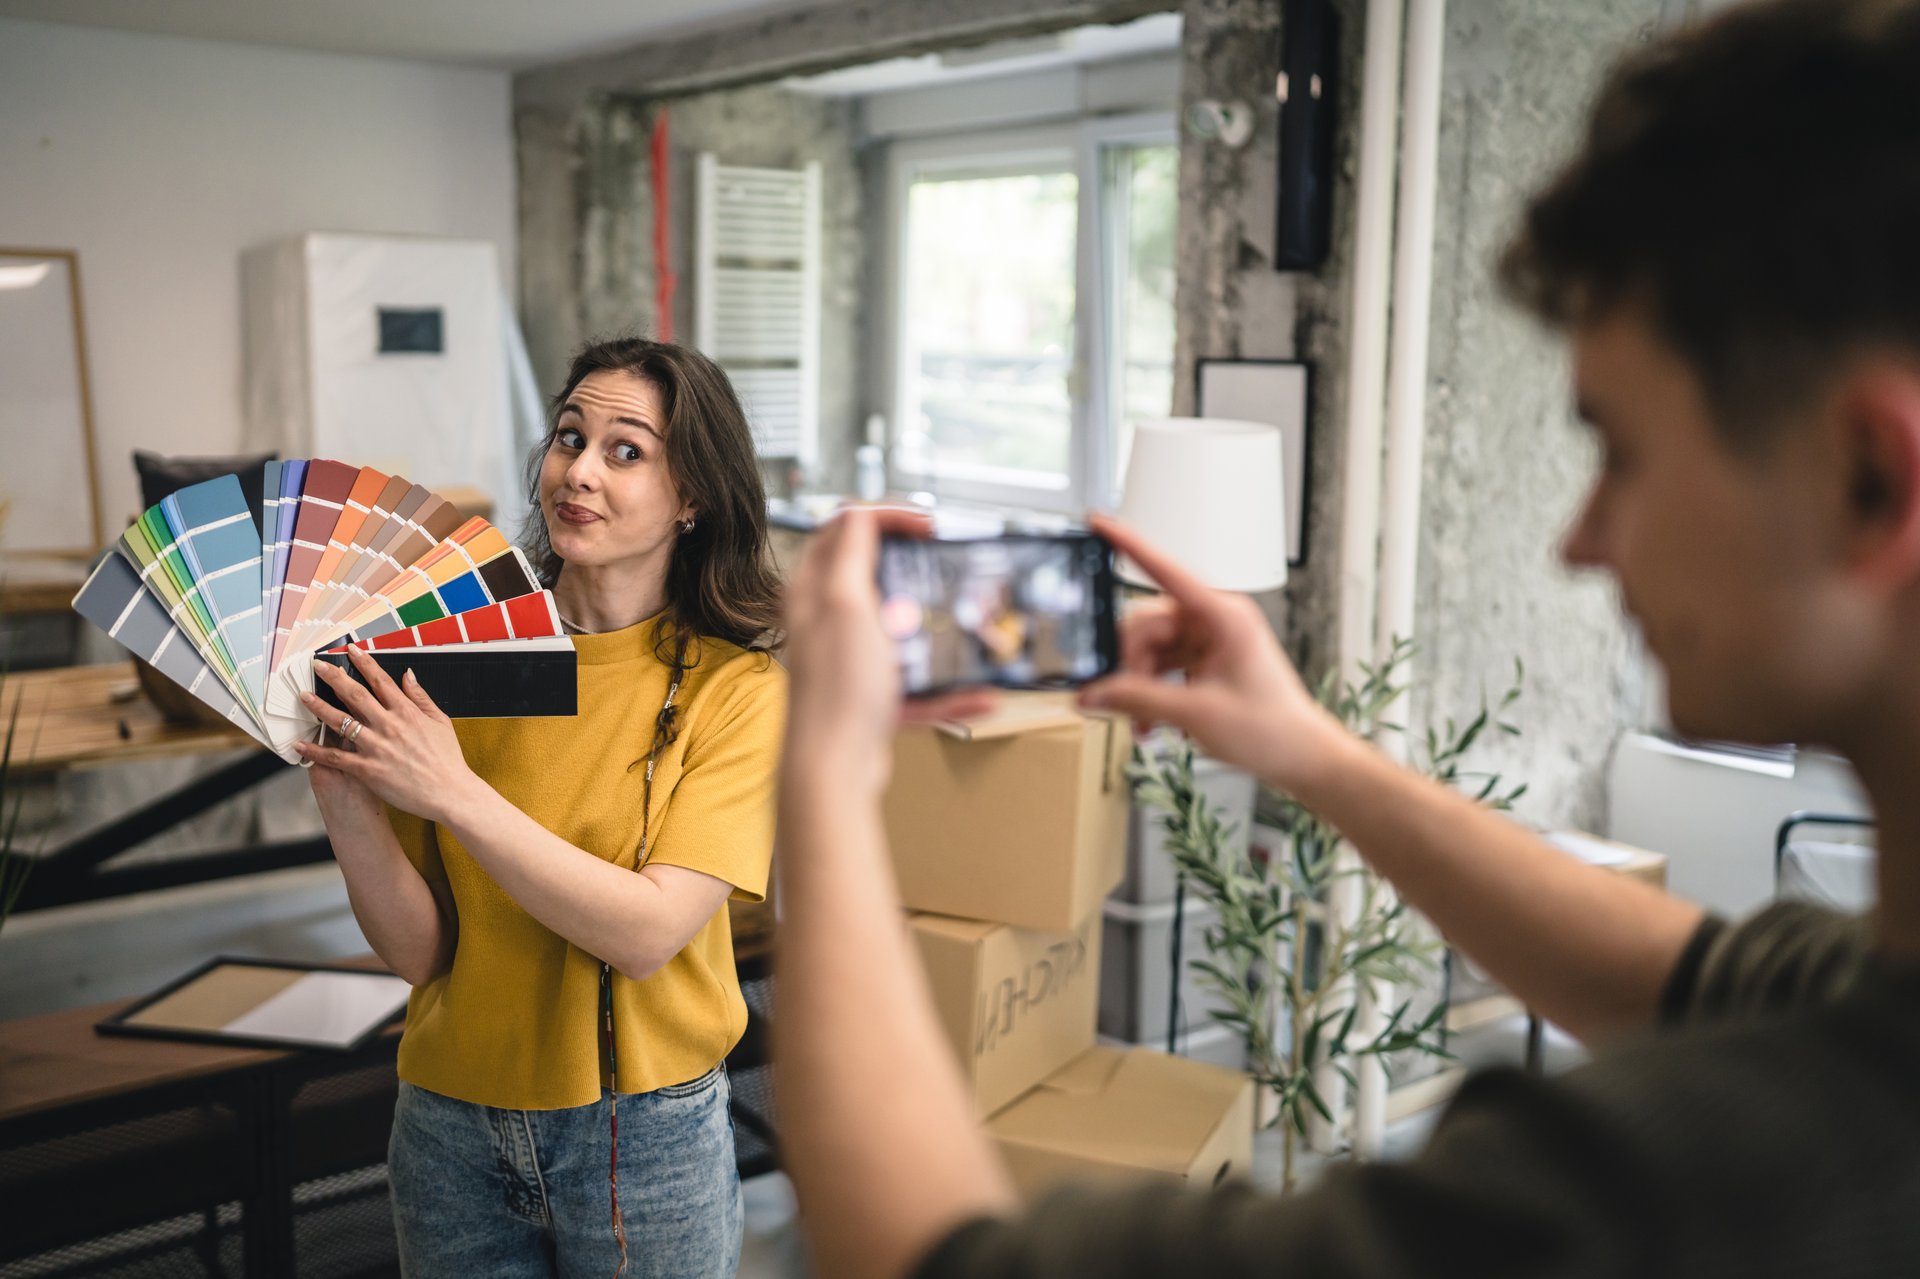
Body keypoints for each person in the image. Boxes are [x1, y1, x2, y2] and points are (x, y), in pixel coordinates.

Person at [773, 1, 1920, 1276]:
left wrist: (822, 770)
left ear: (1871, 479)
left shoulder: (1708, 1186)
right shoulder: (1864, 1019)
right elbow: (1700, 974)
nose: (1579, 542)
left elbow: (924, 1259)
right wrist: (1309, 750)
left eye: (1620, 453)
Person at [299, 337, 786, 1278]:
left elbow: (647, 933)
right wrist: (344, 796)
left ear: (693, 497)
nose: (580, 471)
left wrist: (451, 791)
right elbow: (422, 953)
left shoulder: (740, 691)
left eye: (626, 449)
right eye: (571, 437)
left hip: (646, 1137)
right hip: (446, 1122)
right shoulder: (450, 657)